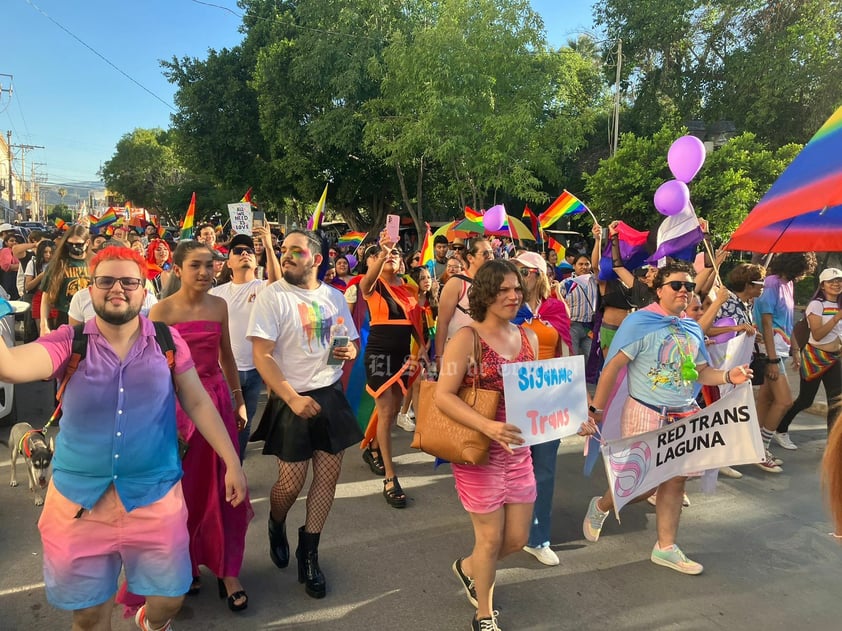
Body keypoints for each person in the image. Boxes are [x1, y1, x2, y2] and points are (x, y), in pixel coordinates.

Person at [0, 245, 247, 631]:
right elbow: (11, 366)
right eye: (106, 280)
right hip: (79, 504)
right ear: (91, 290)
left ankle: (150, 622)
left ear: (144, 288)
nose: (118, 288)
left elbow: (197, 400)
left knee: (169, 599)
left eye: (129, 281)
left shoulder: (167, 341)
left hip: (154, 497)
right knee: (88, 617)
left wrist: (232, 460)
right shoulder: (70, 341)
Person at [437, 259, 593, 631]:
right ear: (486, 294)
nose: (512, 295)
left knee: (518, 537)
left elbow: (541, 393)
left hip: (519, 453)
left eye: (517, 289)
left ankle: (468, 566)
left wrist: (574, 418)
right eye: (503, 289)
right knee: (490, 540)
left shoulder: (530, 337)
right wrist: (488, 426)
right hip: (480, 454)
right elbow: (443, 395)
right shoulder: (467, 337)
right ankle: (485, 613)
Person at [583, 260, 752, 575]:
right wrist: (597, 411)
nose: (684, 291)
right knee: (640, 485)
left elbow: (702, 372)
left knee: (675, 480)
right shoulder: (639, 323)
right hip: (646, 413)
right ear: (658, 290)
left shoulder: (690, 326)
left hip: (683, 414)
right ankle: (602, 505)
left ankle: (665, 546)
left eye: (689, 286)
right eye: (677, 285)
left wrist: (731, 375)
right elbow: (612, 368)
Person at [248, 229, 362, 599]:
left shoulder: (333, 296)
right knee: (290, 483)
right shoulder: (272, 296)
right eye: (283, 250)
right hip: (289, 397)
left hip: (329, 395)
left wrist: (350, 353)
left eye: (295, 250)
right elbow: (261, 356)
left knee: (326, 479)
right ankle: (276, 522)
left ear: (315, 258)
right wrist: (292, 399)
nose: (286, 255)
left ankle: (309, 553)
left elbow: (349, 340)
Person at [149, 241, 253, 612]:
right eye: (196, 265)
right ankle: (188, 563)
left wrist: (238, 398)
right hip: (179, 407)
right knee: (187, 491)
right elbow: (156, 370)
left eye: (210, 265)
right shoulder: (160, 311)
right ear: (177, 269)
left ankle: (228, 570)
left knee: (227, 484)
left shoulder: (219, 305)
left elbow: (226, 355)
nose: (206, 272)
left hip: (219, 402)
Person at [511, 252, 573, 567]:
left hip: (548, 399)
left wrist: (573, 402)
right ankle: (510, 527)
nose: (520, 275)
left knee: (545, 470)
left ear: (539, 274)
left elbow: (564, 353)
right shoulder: (506, 307)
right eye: (515, 269)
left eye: (525, 270)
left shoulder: (555, 308)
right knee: (512, 468)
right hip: (513, 398)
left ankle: (539, 537)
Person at [358, 235, 420, 507]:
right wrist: (383, 251)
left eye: (396, 253)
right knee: (385, 411)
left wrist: (425, 353)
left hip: (403, 356)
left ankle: (372, 447)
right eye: (387, 253)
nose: (392, 255)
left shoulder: (410, 289)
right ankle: (390, 477)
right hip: (379, 352)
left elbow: (417, 324)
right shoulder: (373, 286)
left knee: (394, 410)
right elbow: (365, 282)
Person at [210, 227, 280, 459]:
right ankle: (222, 472)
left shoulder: (262, 288)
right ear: (228, 262)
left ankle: (235, 473)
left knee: (244, 424)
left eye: (249, 250)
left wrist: (268, 246)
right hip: (224, 371)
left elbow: (277, 282)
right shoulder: (216, 294)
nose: (245, 253)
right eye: (238, 250)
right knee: (222, 424)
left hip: (254, 371)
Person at [753, 252, 816, 469]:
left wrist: (796, 349)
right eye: (803, 270)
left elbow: (788, 322)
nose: (804, 275)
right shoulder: (771, 284)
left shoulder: (787, 284)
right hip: (769, 351)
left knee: (767, 400)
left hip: (780, 348)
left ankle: (753, 446)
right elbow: (767, 323)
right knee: (785, 401)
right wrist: (771, 359)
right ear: (794, 266)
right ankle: (760, 449)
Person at [777, 268, 842, 435]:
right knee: (805, 400)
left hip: (835, 358)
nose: (836, 284)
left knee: (836, 403)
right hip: (815, 358)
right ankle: (781, 428)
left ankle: (832, 445)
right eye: (831, 281)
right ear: (822, 285)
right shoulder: (817, 305)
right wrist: (836, 318)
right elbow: (818, 335)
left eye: (839, 281)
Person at [435, 238, 494, 362]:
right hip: (458, 354)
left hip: (487, 354)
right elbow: (442, 323)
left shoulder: (495, 284)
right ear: (470, 258)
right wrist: (440, 356)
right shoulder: (456, 282)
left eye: (492, 252)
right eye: (485, 253)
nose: (490, 257)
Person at [40, 225, 91, 335]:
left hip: (90, 317)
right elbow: (46, 296)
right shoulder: (58, 264)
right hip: (65, 315)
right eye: (70, 244)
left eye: (78, 244)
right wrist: (43, 325)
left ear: (87, 243)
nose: (74, 247)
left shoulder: (95, 262)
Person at [559, 253, 599, 359]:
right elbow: (557, 303)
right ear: (574, 266)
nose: (584, 267)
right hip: (572, 326)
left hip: (590, 326)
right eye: (580, 264)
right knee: (573, 358)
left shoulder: (596, 281)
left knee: (592, 359)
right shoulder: (566, 284)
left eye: (587, 264)